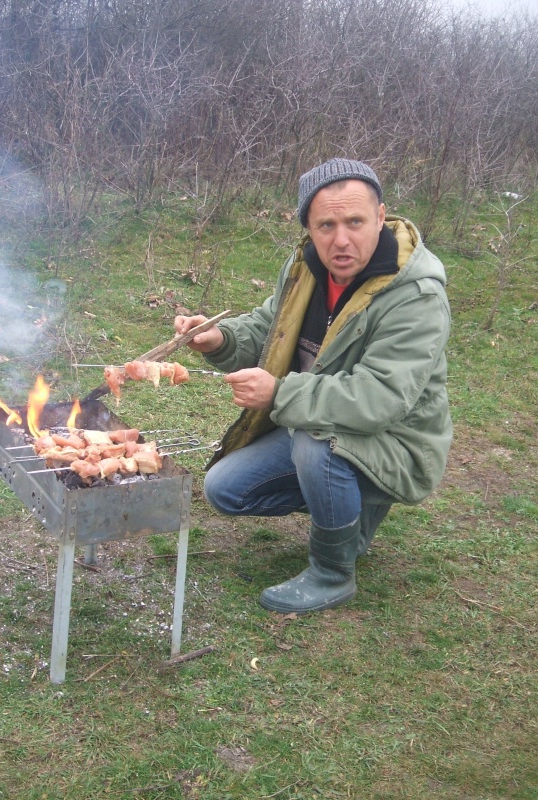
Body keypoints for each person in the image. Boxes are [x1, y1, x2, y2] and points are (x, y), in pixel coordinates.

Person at [174, 158, 452, 615]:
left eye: (355, 222)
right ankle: (348, 509)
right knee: (225, 489)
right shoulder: (305, 267)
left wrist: (279, 395)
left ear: (380, 217)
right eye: (326, 225)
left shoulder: (415, 295)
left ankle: (333, 573)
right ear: (308, 227)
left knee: (314, 441)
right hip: (320, 424)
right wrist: (221, 338)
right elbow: (271, 327)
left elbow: (380, 398)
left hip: (396, 441)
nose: (341, 240)